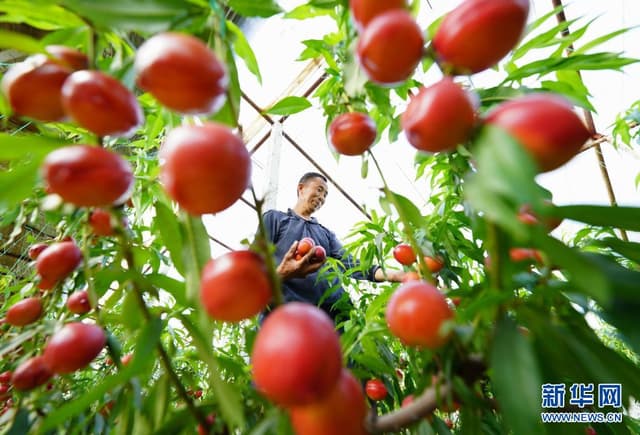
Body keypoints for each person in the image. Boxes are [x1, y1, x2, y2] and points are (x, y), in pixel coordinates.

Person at [261, 172, 405, 325]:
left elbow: (353, 265)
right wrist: (281, 274)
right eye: (319, 190)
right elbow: (253, 272)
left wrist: (397, 276)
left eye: (325, 195)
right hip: (289, 316)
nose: (322, 198)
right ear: (301, 189)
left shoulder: (325, 234)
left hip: (333, 317)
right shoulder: (275, 219)